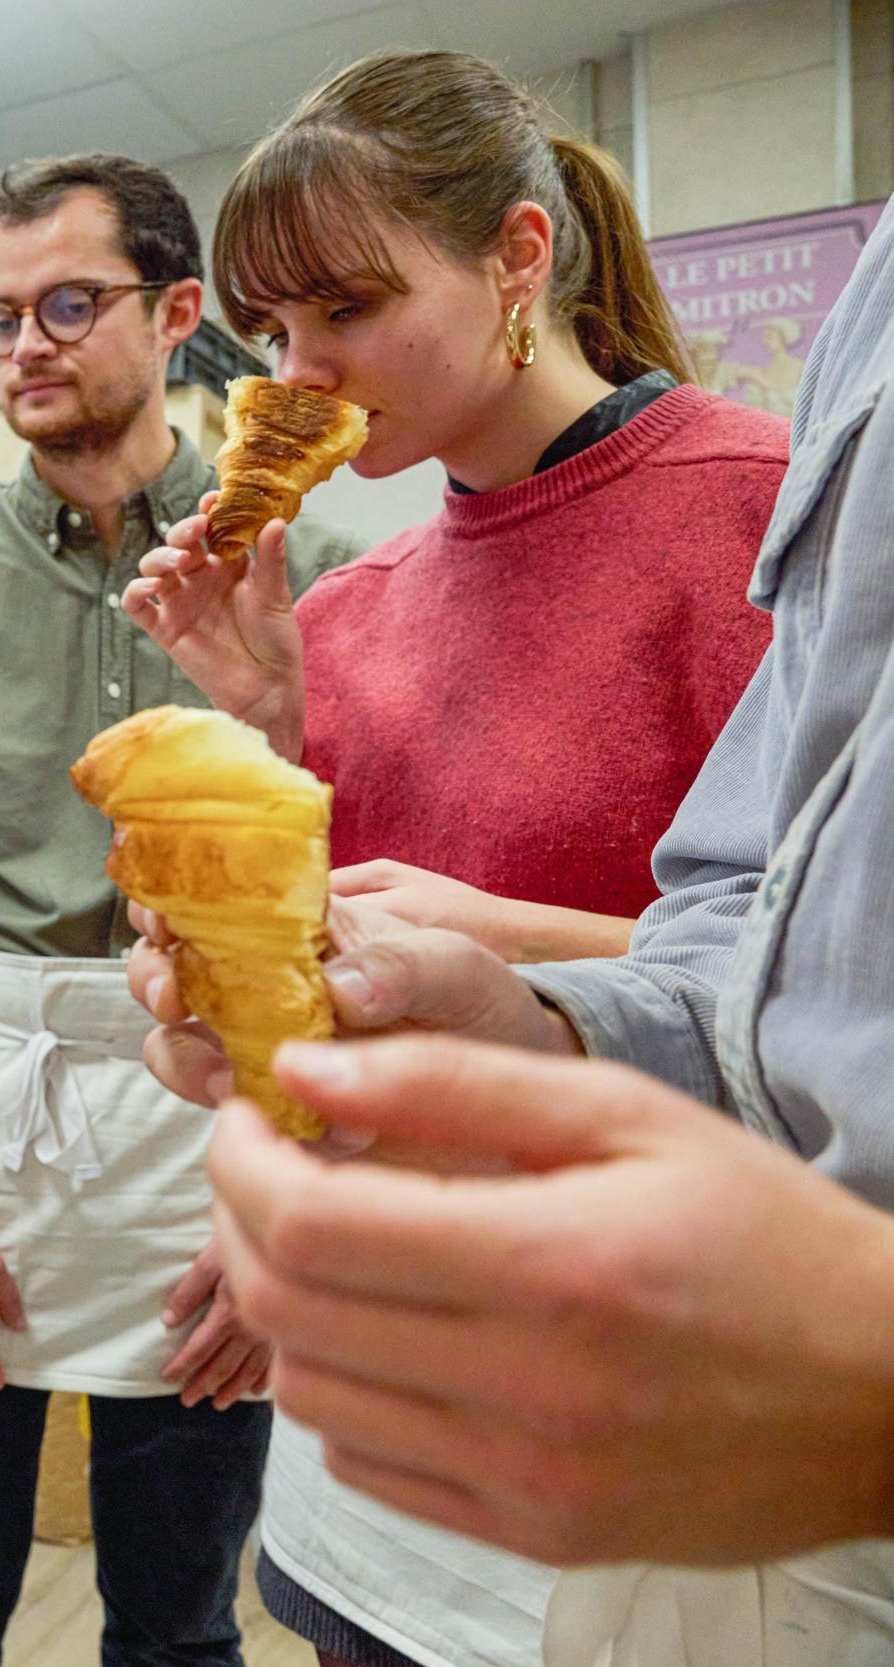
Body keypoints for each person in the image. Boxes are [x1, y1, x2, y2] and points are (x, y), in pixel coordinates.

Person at [141, 195, 894, 1667]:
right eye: (273, 333)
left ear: (520, 259)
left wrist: (518, 950)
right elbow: (359, 958)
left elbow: (804, 965)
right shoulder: (349, 591)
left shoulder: (741, 492)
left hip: (665, 1379)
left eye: (342, 311)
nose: (301, 374)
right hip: (393, 1400)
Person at [0, 154, 364, 1667]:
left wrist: (284, 1206)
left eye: (68, 303)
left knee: (183, 1625)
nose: (26, 347)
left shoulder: (308, 574)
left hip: (211, 1122)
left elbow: (353, 914)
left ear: (179, 311)